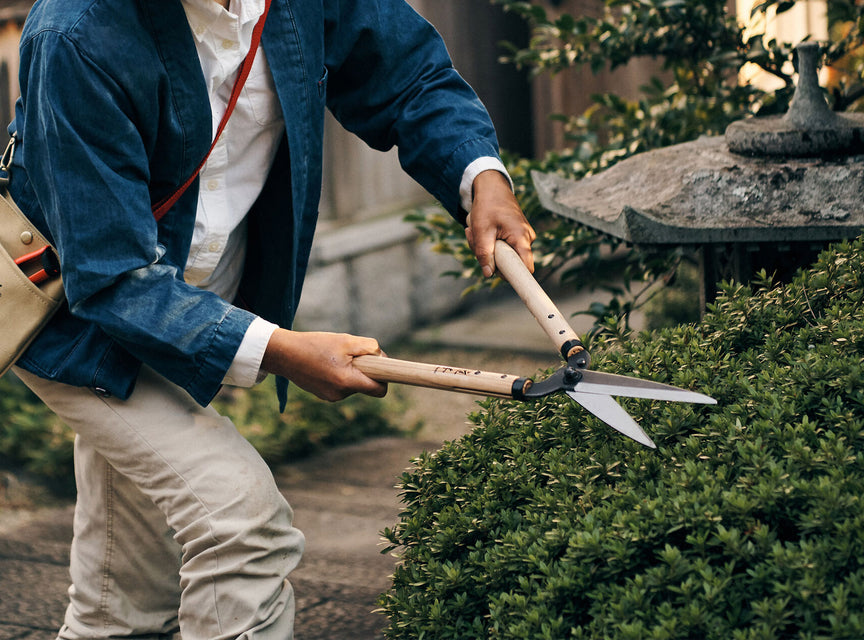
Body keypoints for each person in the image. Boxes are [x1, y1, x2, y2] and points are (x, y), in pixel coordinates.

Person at [5, 0, 536, 638]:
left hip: (194, 296)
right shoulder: (73, 32)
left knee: (123, 607)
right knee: (242, 526)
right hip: (75, 315)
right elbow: (112, 277)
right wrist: (281, 349)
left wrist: (482, 176)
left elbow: (408, 77)